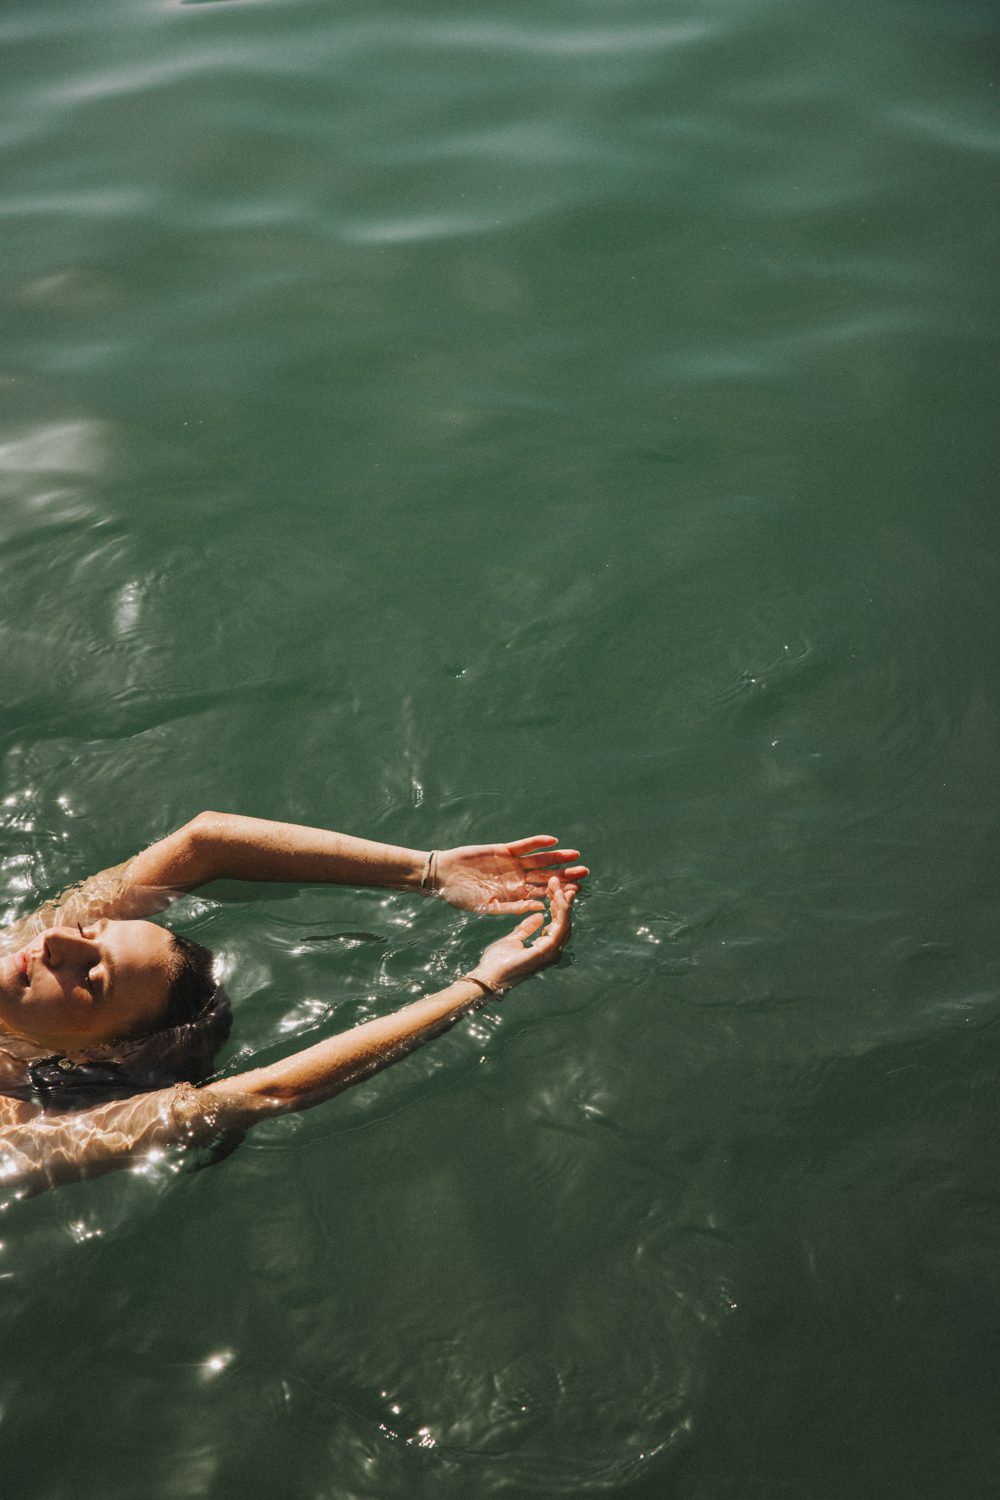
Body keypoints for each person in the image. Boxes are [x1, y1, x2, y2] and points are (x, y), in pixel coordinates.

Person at [0, 813, 585, 1196]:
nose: (53, 941)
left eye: (93, 976)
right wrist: (427, 870)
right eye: (91, 928)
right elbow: (206, 843)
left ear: (107, 1053)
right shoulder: (20, 949)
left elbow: (268, 1091)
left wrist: (478, 986)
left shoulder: (23, 1133)